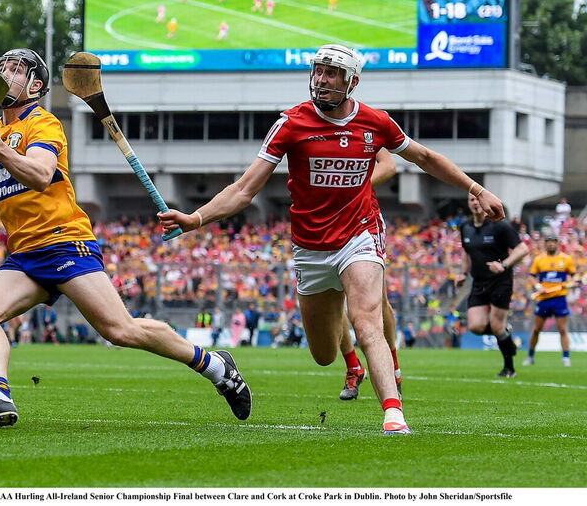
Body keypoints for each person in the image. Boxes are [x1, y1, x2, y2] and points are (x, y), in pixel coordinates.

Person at [159, 44, 506, 434]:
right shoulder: (290, 123)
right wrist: (196, 218)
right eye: (319, 71)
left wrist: (477, 189)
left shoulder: (376, 122)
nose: (322, 80)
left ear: (352, 82)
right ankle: (350, 358)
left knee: (367, 320)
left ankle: (393, 414)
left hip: (360, 234)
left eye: (332, 73)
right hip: (310, 248)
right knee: (323, 354)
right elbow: (244, 190)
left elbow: (423, 157)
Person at [0, 48, 251, 428]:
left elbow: (41, 175)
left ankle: (215, 365)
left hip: (64, 242)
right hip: (24, 255)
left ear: (36, 86)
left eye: (16, 70)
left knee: (119, 330)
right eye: (2, 68)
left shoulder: (43, 124)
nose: (5, 74)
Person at [337, 149, 404, 401]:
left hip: (361, 221)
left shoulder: (364, 123)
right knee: (335, 304)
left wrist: (348, 189)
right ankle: (353, 366)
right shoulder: (309, 127)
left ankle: (393, 365)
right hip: (321, 224)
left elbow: (387, 164)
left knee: (377, 302)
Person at [458, 192, 528, 378]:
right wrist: (462, 273)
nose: (475, 203)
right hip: (479, 282)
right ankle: (506, 335)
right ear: (468, 204)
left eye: (477, 199)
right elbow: (466, 253)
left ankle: (509, 368)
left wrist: (503, 265)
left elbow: (523, 249)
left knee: (496, 326)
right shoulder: (465, 227)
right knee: (475, 326)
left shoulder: (499, 226)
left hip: (500, 281)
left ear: (484, 202)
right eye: (471, 200)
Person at [524, 235, 576, 367]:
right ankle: (530, 356)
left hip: (559, 299)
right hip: (543, 299)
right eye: (548, 242)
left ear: (557, 243)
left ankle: (566, 358)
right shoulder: (539, 259)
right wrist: (537, 286)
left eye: (553, 242)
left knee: (562, 329)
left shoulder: (566, 259)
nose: (551, 244)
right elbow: (531, 276)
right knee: (536, 329)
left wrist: (571, 283)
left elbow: (574, 278)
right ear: (545, 244)